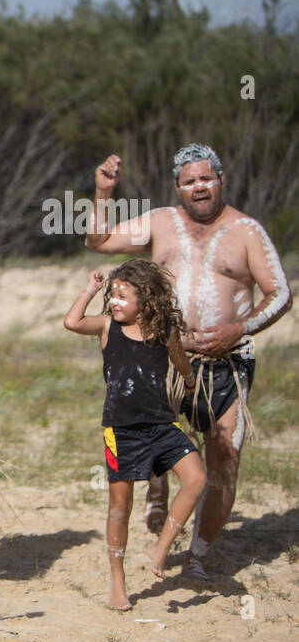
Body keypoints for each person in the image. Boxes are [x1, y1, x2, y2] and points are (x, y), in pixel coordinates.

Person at [85, 144, 292, 581]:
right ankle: (158, 485)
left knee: (223, 456)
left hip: (227, 364)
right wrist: (103, 193)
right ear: (178, 187)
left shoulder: (247, 231)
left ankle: (196, 556)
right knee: (159, 440)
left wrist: (242, 328)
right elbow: (99, 241)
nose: (199, 187)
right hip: (165, 361)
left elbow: (282, 294)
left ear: (221, 179)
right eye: (189, 181)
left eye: (206, 178)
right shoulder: (161, 222)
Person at [64, 261, 207, 608]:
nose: (115, 301)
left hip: (162, 425)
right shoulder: (107, 327)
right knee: (120, 506)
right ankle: (117, 580)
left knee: (197, 479)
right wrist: (91, 291)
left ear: (147, 299)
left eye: (123, 296)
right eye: (113, 295)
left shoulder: (164, 330)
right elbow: (72, 322)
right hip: (121, 432)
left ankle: (161, 548)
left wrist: (189, 384)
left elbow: (181, 359)